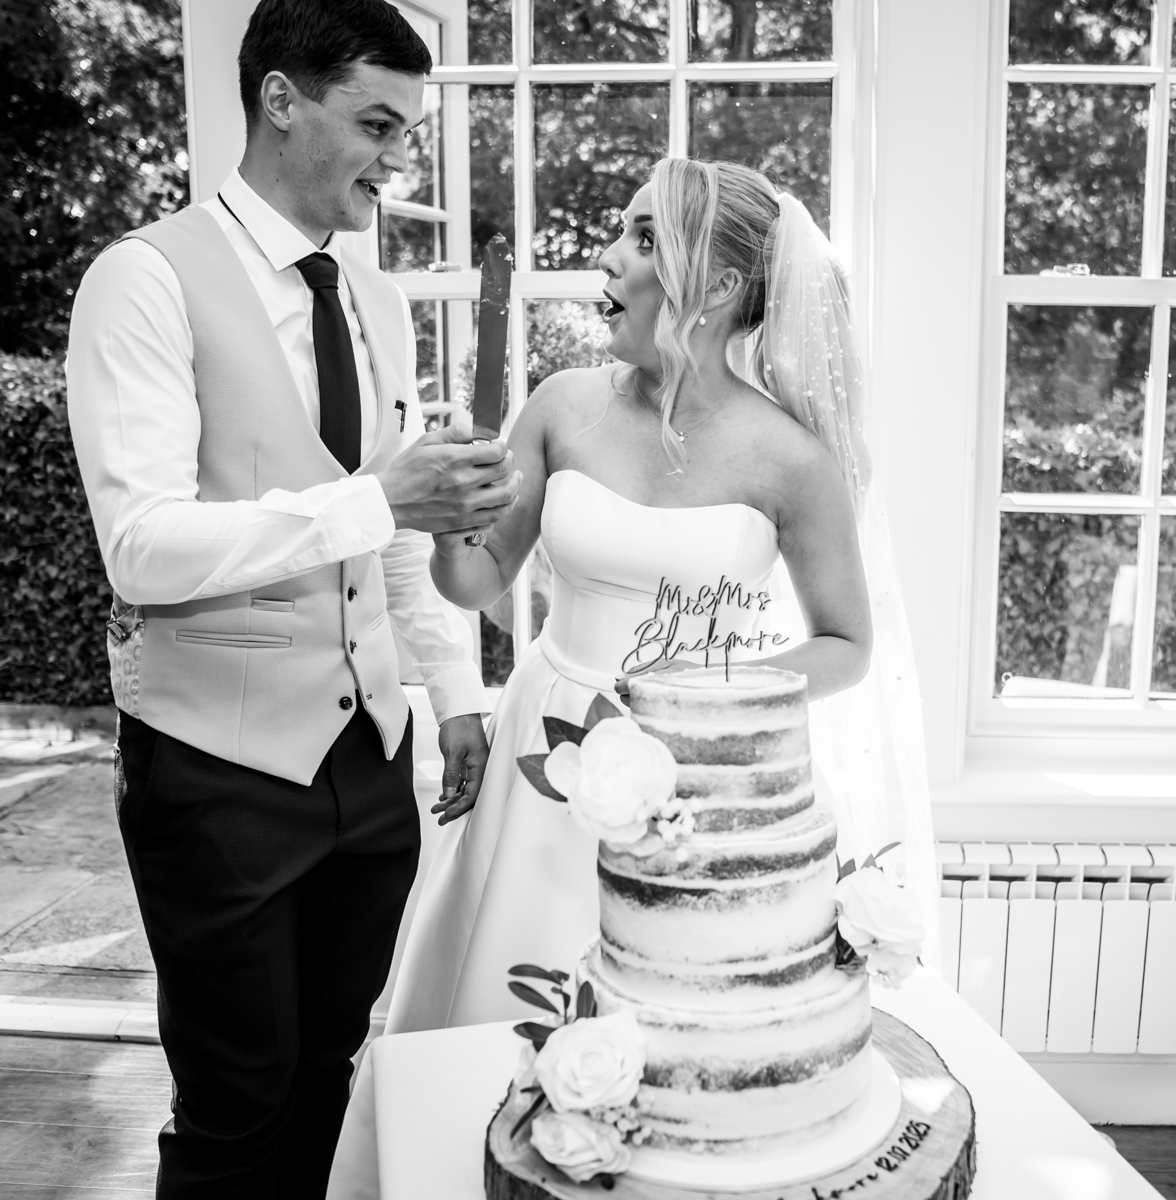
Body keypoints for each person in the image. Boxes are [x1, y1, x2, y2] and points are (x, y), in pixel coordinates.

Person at [64, 0, 516, 1193]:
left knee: (327, 1072)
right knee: (234, 1104)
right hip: (216, 772)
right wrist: (377, 501)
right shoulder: (142, 283)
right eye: (376, 122)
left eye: (407, 130)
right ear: (280, 100)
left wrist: (456, 689)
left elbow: (403, 524)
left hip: (369, 768)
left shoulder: (371, 296)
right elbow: (145, 549)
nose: (397, 159)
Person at [384, 156, 935, 1035]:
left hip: (700, 764)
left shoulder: (793, 459)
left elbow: (846, 643)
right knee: (509, 996)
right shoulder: (561, 407)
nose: (607, 257)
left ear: (714, 283)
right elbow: (474, 582)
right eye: (620, 229)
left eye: (643, 238)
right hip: (546, 739)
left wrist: (706, 702)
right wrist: (453, 516)